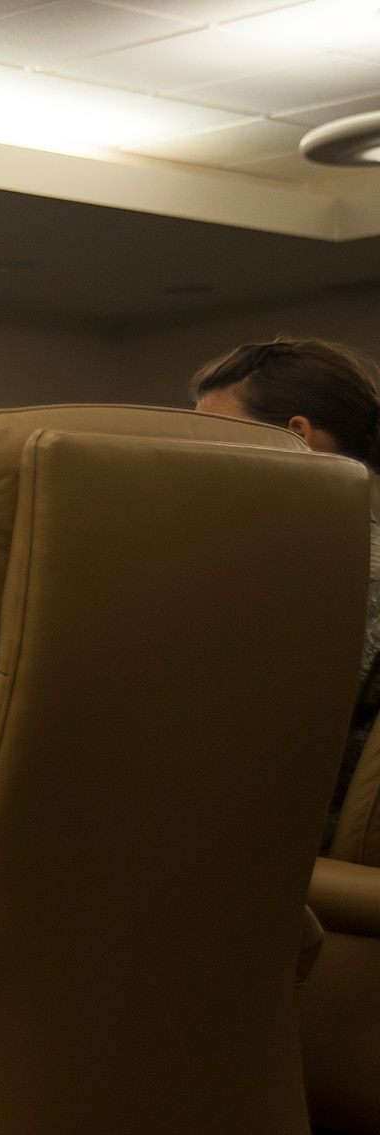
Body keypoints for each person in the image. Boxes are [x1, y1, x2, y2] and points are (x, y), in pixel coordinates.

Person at [192, 336, 380, 850]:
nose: (196, 455)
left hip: (272, 859)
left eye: (214, 433)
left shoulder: (326, 578)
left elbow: (246, 757)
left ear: (298, 436)